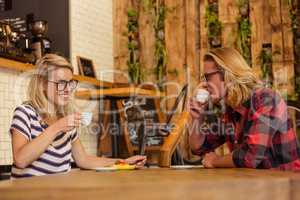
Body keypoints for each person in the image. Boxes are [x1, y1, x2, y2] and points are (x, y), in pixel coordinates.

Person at [10, 54, 146, 179]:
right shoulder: (25, 113)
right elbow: (20, 160)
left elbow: (83, 159)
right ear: (42, 84)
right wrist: (57, 127)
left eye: (70, 83)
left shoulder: (65, 119)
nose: (68, 89)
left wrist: (122, 162)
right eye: (62, 83)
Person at [189, 48, 300, 170]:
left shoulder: (266, 99)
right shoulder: (230, 110)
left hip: (287, 184)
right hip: (255, 184)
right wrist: (197, 118)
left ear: (226, 74)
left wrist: (215, 161)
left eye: (207, 77)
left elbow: (250, 157)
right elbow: (199, 148)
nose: (204, 84)